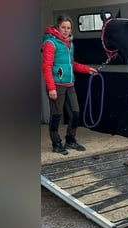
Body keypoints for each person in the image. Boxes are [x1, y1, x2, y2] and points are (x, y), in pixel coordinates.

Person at [42, 14, 98, 155]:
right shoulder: (51, 43)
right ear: (58, 27)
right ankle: (56, 143)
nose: (66, 30)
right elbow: (47, 67)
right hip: (57, 84)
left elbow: (70, 64)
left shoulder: (69, 43)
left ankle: (70, 139)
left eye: (68, 28)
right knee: (56, 115)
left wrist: (86, 69)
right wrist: (51, 88)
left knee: (75, 113)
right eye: (63, 27)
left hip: (69, 84)